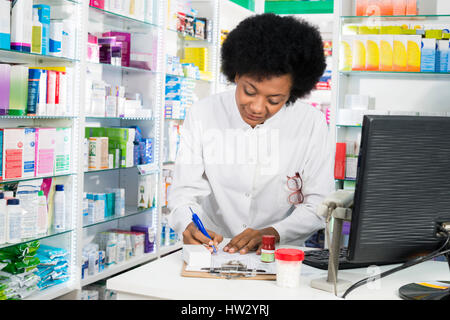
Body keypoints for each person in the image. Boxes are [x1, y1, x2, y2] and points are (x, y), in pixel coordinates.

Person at [167, 13, 334, 255]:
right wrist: (188, 222)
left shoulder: (310, 123)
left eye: (274, 100)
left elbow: (320, 204)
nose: (257, 107)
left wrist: (274, 232)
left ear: (293, 92)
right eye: (249, 91)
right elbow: (184, 191)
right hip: (214, 250)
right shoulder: (203, 113)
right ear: (236, 75)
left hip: (281, 254)